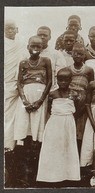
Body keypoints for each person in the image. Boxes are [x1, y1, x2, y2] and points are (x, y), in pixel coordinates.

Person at [36, 68, 80, 183]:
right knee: (54, 148)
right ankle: (51, 176)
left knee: (68, 147)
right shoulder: (52, 94)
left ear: (71, 80)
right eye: (60, 80)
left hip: (68, 123)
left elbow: (77, 109)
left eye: (66, 80)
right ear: (57, 80)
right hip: (55, 123)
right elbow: (49, 110)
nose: (63, 83)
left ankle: (68, 176)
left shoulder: (74, 94)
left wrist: (68, 118)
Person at [14, 35, 52, 145]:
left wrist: (40, 101)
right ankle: (24, 153)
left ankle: (35, 153)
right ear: (27, 47)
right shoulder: (23, 63)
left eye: (38, 46)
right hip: (25, 95)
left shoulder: (46, 61)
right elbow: (19, 83)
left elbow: (49, 82)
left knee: (38, 124)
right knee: (24, 124)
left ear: (42, 48)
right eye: (32, 46)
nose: (35, 48)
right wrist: (24, 101)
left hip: (40, 95)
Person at [63, 43, 94, 154]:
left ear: (85, 55)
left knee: (79, 132)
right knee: (68, 131)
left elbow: (90, 88)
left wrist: (85, 103)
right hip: (70, 102)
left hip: (82, 103)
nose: (78, 56)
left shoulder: (89, 70)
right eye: (75, 53)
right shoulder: (67, 69)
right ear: (71, 54)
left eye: (81, 54)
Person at [4, 19, 26, 151]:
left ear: (17, 30)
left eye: (13, 28)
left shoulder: (20, 45)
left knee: (12, 117)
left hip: (14, 86)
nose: (11, 31)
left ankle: (8, 146)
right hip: (4, 83)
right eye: (8, 28)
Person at [37, 26, 67, 91]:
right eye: (39, 35)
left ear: (49, 37)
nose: (42, 37)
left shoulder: (57, 54)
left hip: (51, 90)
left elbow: (60, 75)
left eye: (45, 35)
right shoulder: (28, 54)